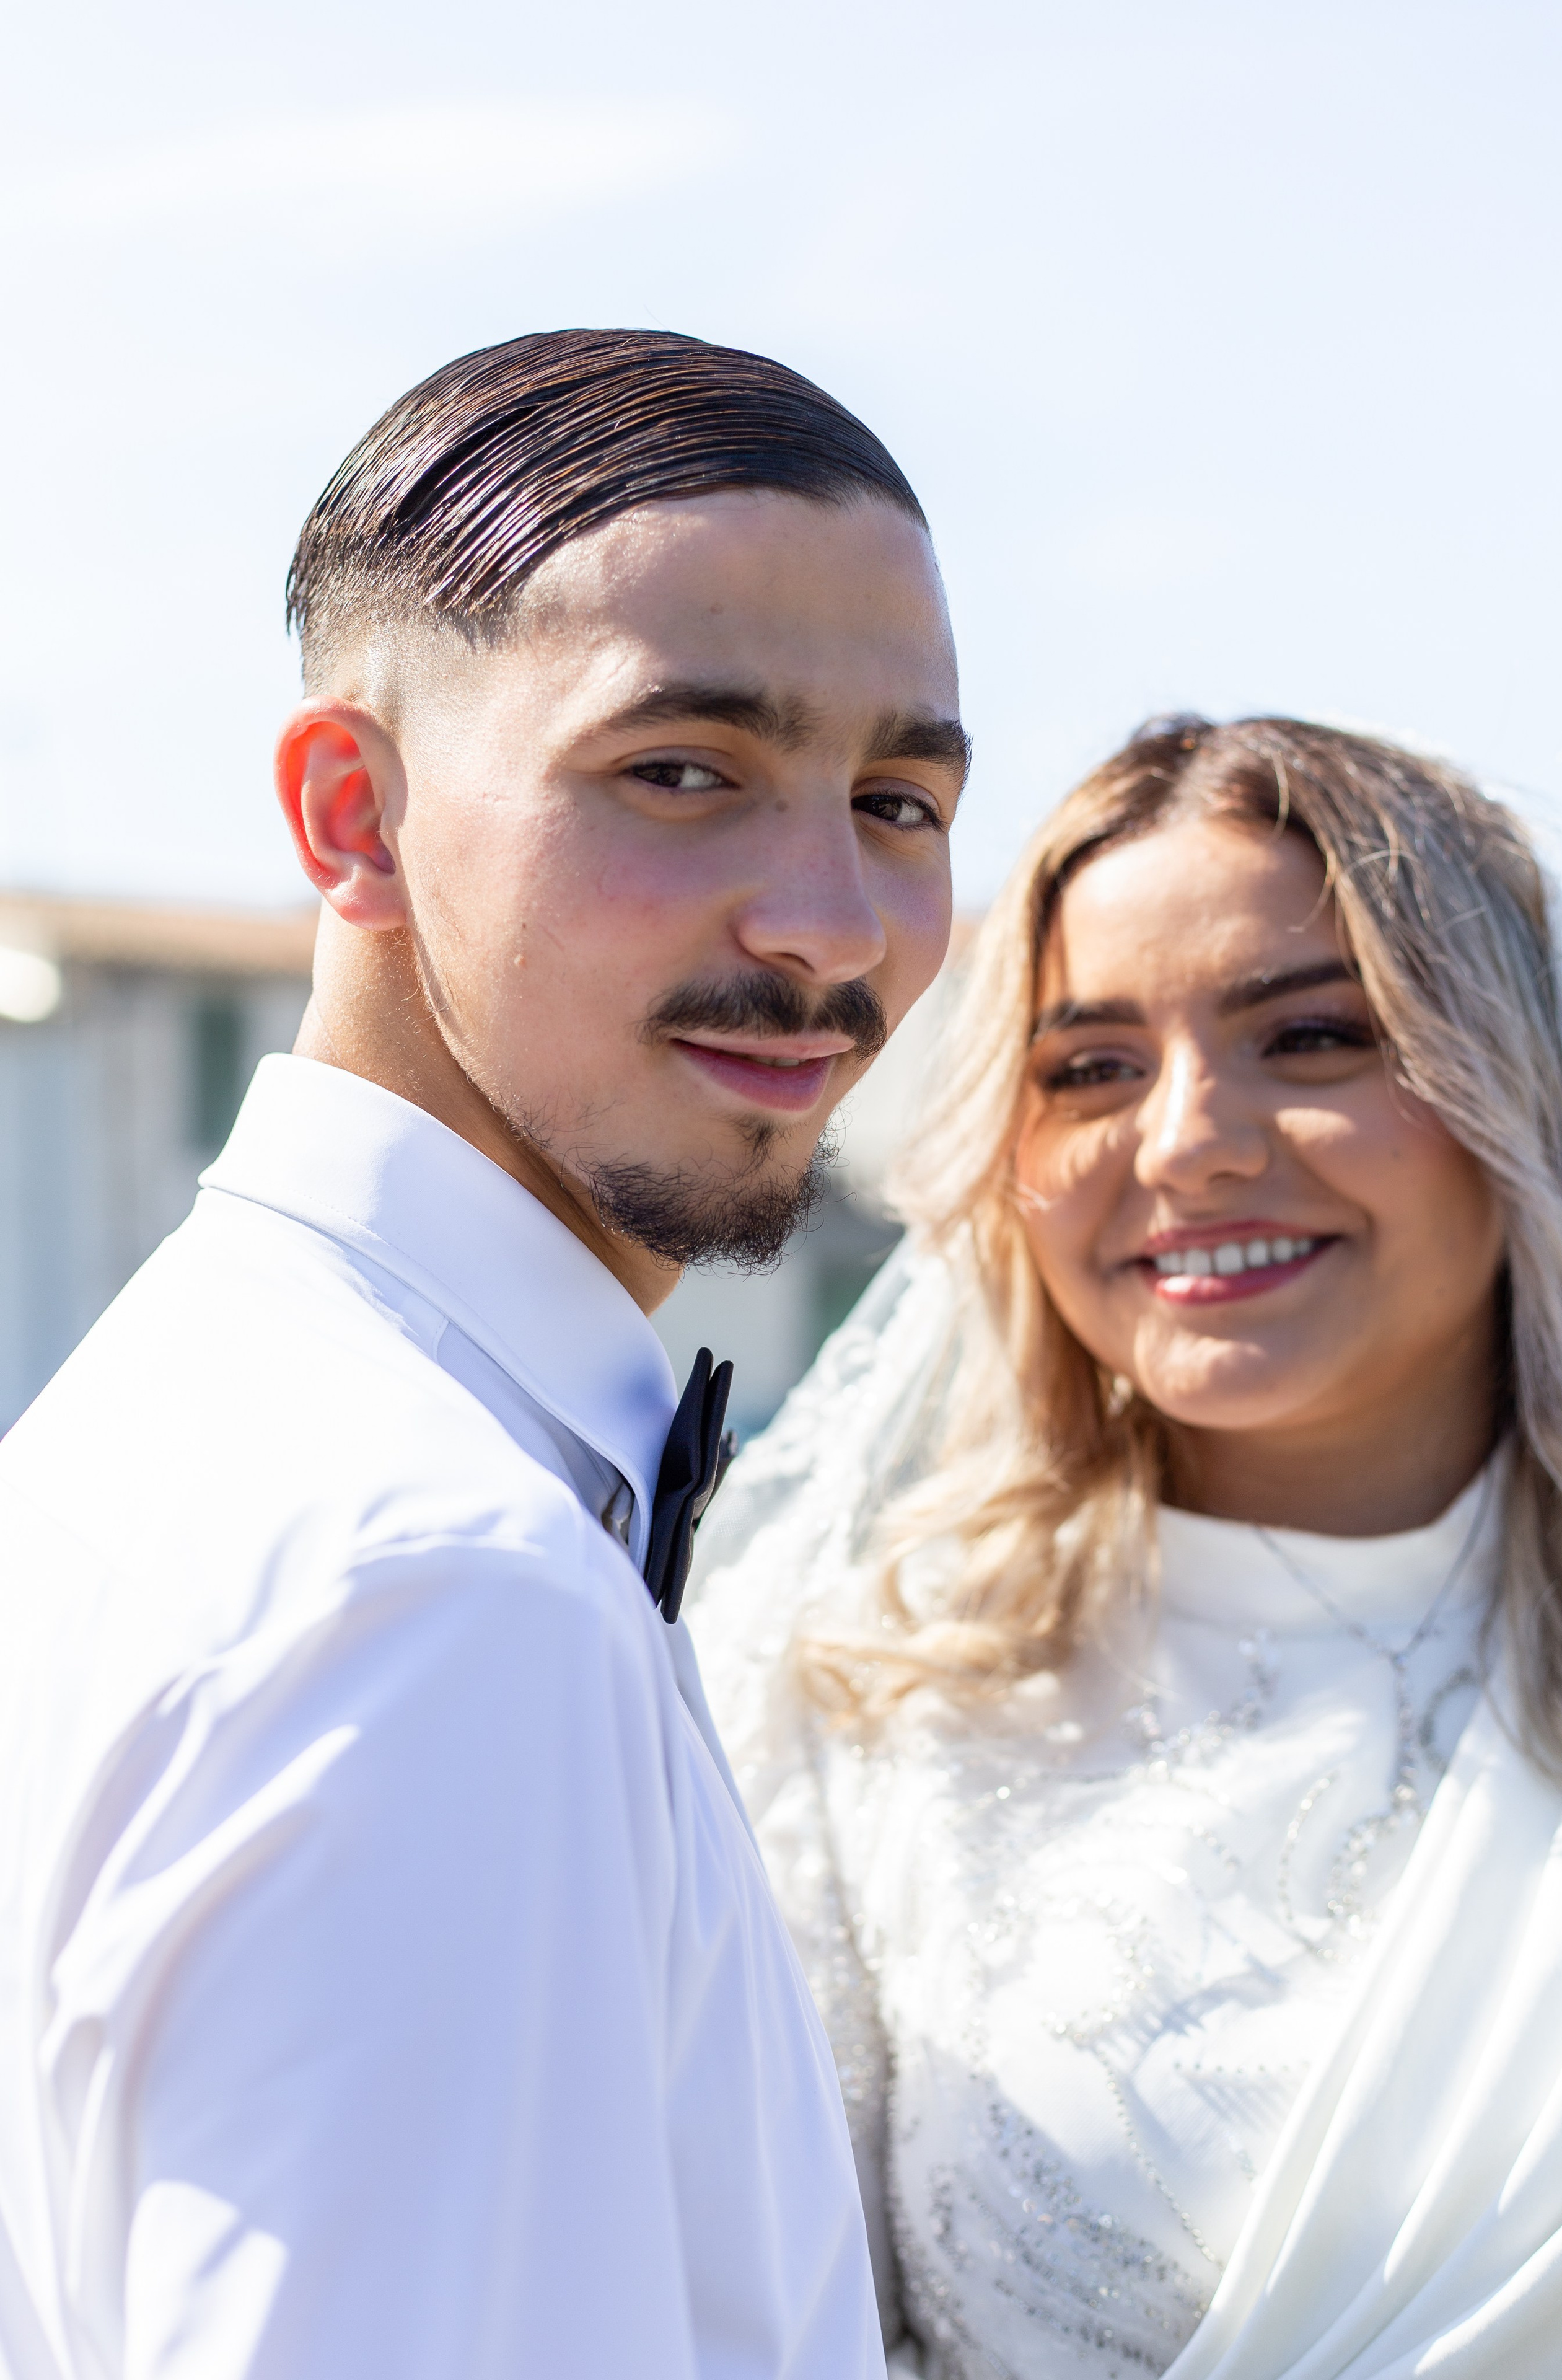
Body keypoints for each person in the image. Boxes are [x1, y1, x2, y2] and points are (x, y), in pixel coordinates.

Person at [0, 329, 970, 2378]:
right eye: (683, 773)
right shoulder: (431, 1585)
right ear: (355, 813)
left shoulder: (193, 1425)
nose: (830, 921)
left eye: (898, 797)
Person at [689, 715, 1562, 2380]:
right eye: (1091, 1067)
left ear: (1508, 1086)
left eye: (1311, 1038)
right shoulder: (850, 1710)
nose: (1186, 1142)